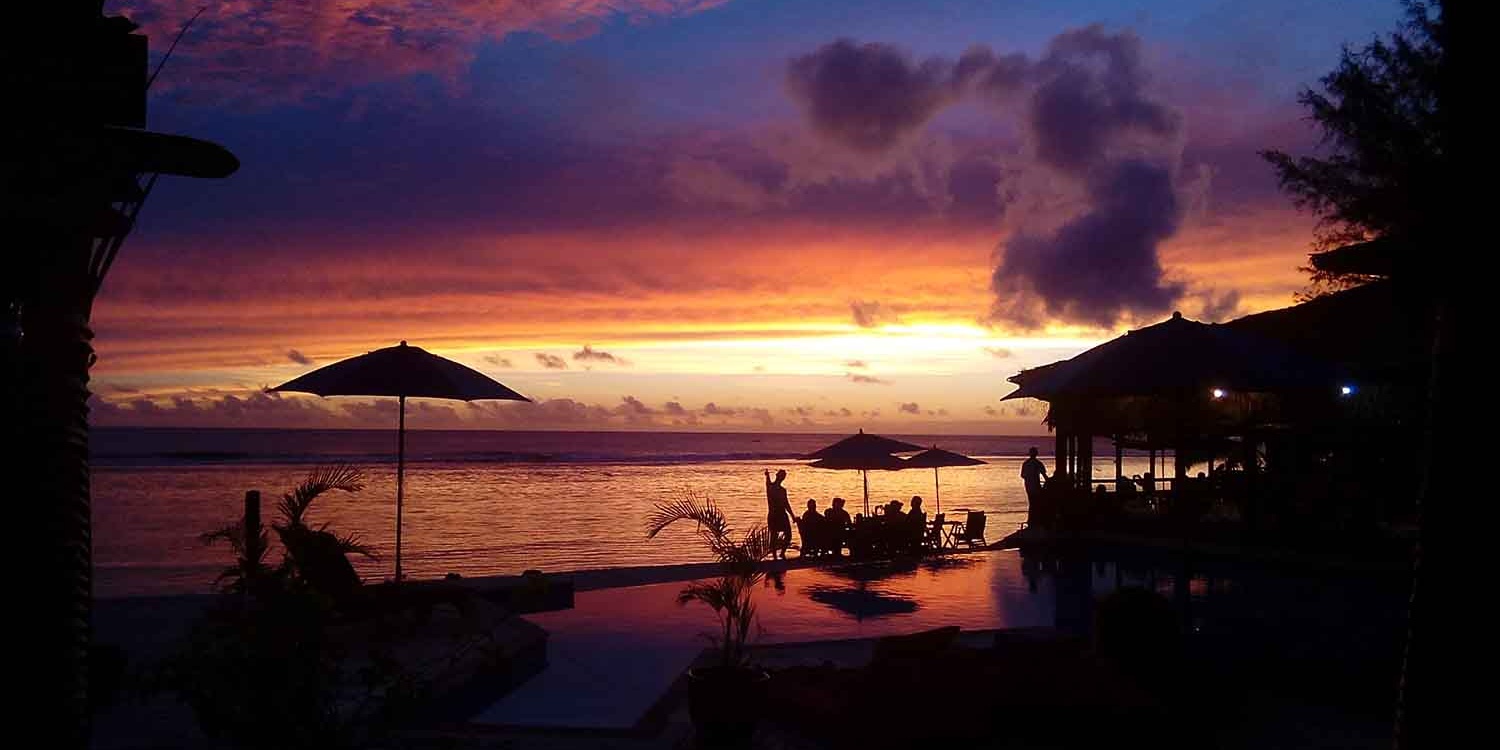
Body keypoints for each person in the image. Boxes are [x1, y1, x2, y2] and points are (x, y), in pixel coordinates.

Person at [765, 469, 794, 559]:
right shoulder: (770, 486)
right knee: (774, 535)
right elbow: (768, 482)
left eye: (783, 476)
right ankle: (774, 557)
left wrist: (792, 516)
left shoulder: (783, 490)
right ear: (777, 476)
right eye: (781, 475)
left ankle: (782, 553)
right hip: (773, 514)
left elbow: (786, 504)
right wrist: (767, 475)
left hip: (782, 514)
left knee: (788, 535)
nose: (782, 477)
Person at [1021, 447, 1048, 526]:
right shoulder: (1038, 463)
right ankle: (1035, 520)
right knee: (1036, 503)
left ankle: (1031, 520)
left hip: (1028, 485)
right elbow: (1044, 475)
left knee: (1032, 502)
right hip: (1035, 485)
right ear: (1036, 454)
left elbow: (1023, 475)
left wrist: (1029, 478)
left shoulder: (1026, 463)